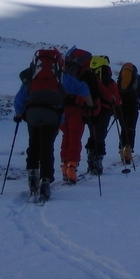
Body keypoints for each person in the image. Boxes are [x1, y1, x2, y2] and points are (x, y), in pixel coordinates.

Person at [13, 48, 86, 201]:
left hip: (32, 113)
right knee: (47, 147)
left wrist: (19, 113)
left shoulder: (32, 76)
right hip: (52, 114)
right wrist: (88, 104)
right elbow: (81, 89)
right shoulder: (61, 77)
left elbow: (20, 98)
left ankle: (32, 173)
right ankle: (45, 181)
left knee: (33, 143)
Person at [58, 48, 94, 184]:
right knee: (75, 138)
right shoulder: (81, 82)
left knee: (65, 136)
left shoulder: (60, 77)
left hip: (61, 110)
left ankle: (64, 165)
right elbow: (87, 97)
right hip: (77, 111)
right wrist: (91, 107)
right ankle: (72, 168)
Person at [84, 56, 122, 176]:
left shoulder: (88, 79)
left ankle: (91, 155)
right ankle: (97, 160)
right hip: (105, 111)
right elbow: (117, 100)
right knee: (100, 135)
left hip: (90, 109)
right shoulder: (110, 82)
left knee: (93, 133)